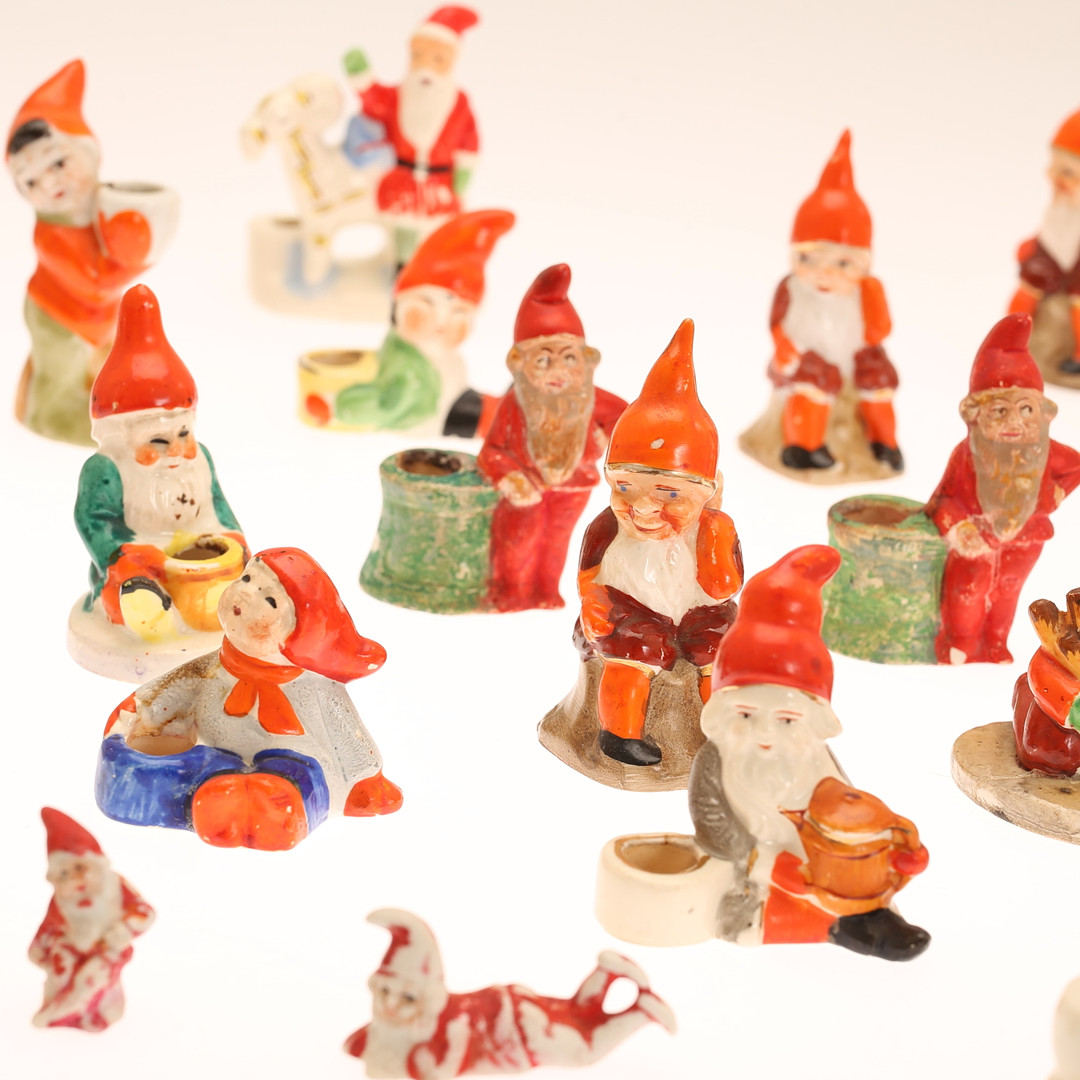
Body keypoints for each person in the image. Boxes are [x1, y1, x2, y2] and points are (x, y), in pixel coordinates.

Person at [689, 546, 930, 961]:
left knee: (855, 886)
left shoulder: (814, 757)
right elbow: (714, 827)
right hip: (750, 867)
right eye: (746, 714)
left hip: (819, 861)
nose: (765, 732)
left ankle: (862, 918)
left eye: (785, 719)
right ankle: (839, 929)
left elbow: (847, 805)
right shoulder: (716, 762)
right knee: (748, 912)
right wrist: (768, 863)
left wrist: (891, 844)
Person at [97, 548, 403, 851]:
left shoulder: (316, 689)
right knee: (207, 768)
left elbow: (345, 733)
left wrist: (367, 778)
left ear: (300, 635)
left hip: (291, 757)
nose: (246, 594)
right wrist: (136, 710)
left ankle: (278, 809)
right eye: (246, 579)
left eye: (270, 601)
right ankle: (218, 801)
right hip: (218, 756)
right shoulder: (209, 669)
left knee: (297, 776)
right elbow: (172, 691)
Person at [575, 319, 742, 767]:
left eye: (669, 494)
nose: (643, 508)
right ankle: (619, 732)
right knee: (635, 650)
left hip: (699, 610)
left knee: (720, 646)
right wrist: (592, 601)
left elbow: (723, 586)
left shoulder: (712, 527)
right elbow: (589, 571)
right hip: (629, 608)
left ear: (710, 490)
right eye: (624, 487)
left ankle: (725, 728)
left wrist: (714, 532)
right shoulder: (606, 526)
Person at [6, 60, 174, 444]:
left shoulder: (102, 204)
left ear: (91, 153)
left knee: (99, 364)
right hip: (57, 317)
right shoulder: (50, 237)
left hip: (98, 316)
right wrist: (142, 257)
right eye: (29, 181)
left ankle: (93, 403)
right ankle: (48, 415)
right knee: (60, 370)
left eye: (58, 162)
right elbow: (96, 282)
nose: (47, 183)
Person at [73, 285, 245, 646]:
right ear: (121, 439)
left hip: (204, 558)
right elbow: (93, 521)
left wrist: (234, 537)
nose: (176, 451)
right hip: (139, 559)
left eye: (183, 434)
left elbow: (219, 504)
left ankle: (221, 615)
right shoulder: (106, 470)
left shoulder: (201, 459)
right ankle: (151, 619)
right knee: (131, 587)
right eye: (158, 442)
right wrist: (121, 553)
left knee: (238, 576)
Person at [344, 909, 675, 1078]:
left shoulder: (450, 1025)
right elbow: (361, 1044)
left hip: (516, 1034)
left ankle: (641, 1012)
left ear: (429, 999)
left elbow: (443, 1071)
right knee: (575, 1014)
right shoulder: (396, 1028)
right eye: (384, 991)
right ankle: (606, 973)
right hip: (508, 1007)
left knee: (582, 1051)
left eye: (407, 998)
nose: (390, 1005)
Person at [925, 314, 1080, 665]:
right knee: (968, 588)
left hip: (1026, 536)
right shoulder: (967, 455)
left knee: (1009, 589)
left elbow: (1075, 466)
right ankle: (962, 642)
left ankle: (996, 641)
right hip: (976, 535)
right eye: (999, 410)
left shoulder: (1047, 453)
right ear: (976, 416)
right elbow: (943, 499)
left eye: (1025, 409)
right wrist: (957, 526)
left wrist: (1056, 493)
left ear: (1042, 414)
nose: (1014, 422)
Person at [476, 264, 626, 612]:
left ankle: (546, 588)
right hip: (527, 484)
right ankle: (512, 590)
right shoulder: (514, 404)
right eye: (543, 360)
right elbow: (492, 450)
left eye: (569, 358)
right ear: (519, 363)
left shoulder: (597, 401)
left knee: (558, 537)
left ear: (587, 361)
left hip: (574, 487)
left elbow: (633, 424)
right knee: (518, 537)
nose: (558, 372)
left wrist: (612, 439)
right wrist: (511, 477)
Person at [757, 130, 901, 473]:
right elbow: (777, 324)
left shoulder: (864, 291)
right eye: (808, 260)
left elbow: (879, 330)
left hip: (855, 355)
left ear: (863, 265)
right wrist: (784, 348)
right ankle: (802, 445)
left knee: (878, 384)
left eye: (842, 264)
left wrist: (874, 299)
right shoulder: (792, 288)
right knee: (811, 385)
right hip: (807, 356)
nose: (823, 274)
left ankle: (883, 441)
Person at [330, 209, 514, 434]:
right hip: (431, 423)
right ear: (398, 308)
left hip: (453, 406)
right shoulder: (406, 365)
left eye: (459, 313)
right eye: (426, 307)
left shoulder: (443, 357)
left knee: (501, 411)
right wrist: (343, 405)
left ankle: (508, 413)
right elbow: (386, 405)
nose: (441, 322)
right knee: (497, 418)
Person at [344, 6, 480, 267]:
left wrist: (464, 174)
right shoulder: (398, 96)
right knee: (402, 229)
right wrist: (362, 77)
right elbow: (375, 102)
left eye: (437, 59)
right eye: (418, 56)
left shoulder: (459, 102)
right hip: (402, 180)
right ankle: (401, 266)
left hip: (440, 183)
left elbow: (469, 140)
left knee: (437, 230)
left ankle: (432, 267)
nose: (426, 67)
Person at [30, 808, 154, 1032]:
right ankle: (60, 1006)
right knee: (60, 968)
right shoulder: (62, 900)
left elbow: (144, 911)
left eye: (79, 868)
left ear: (95, 863)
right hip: (71, 948)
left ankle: (80, 1010)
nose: (74, 878)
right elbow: (49, 925)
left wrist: (124, 929)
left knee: (94, 977)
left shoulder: (115, 886)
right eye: (64, 874)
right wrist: (39, 946)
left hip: (107, 948)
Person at [1008, 106, 1080, 379]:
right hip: (1051, 256)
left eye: (1067, 172)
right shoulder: (1062, 207)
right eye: (1053, 167)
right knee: (1029, 284)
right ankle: (1010, 338)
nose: (1054, 178)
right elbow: (1056, 230)